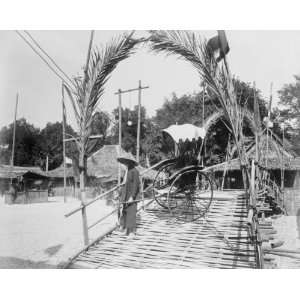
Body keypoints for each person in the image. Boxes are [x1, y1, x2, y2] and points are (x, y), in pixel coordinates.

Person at [117, 155, 140, 237]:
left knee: (131, 213)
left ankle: (132, 232)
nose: (125, 164)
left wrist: (132, 197)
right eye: (125, 162)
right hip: (125, 195)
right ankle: (126, 230)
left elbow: (136, 185)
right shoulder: (127, 171)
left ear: (130, 162)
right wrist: (120, 193)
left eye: (127, 162)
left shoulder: (135, 171)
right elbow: (125, 184)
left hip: (131, 196)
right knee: (125, 212)